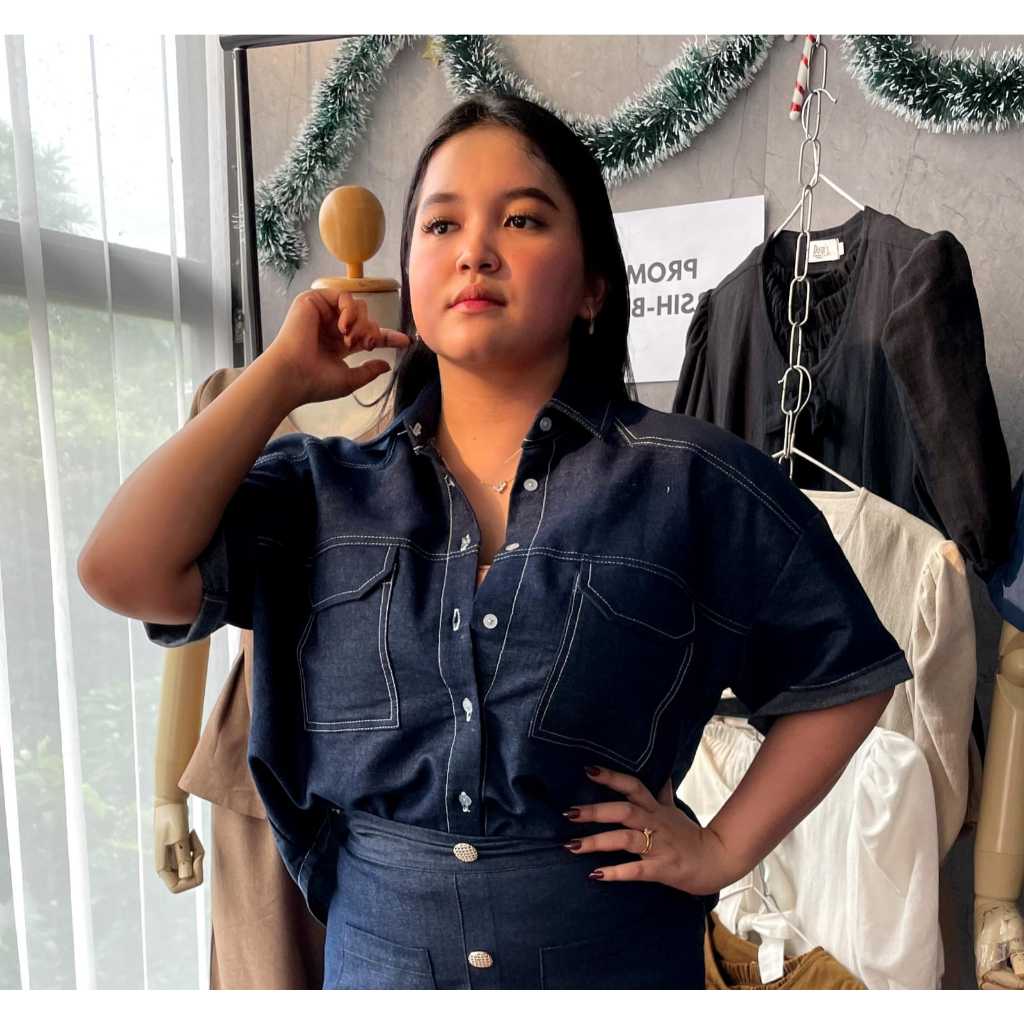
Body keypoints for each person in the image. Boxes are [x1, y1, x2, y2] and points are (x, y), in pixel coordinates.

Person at [78, 93, 910, 990]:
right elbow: (121, 570)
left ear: (593, 285)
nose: (474, 249)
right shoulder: (317, 493)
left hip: (619, 965)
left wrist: (721, 849)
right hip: (380, 970)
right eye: (441, 225)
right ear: (411, 276)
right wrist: (278, 376)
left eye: (522, 219)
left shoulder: (695, 481)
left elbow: (846, 675)